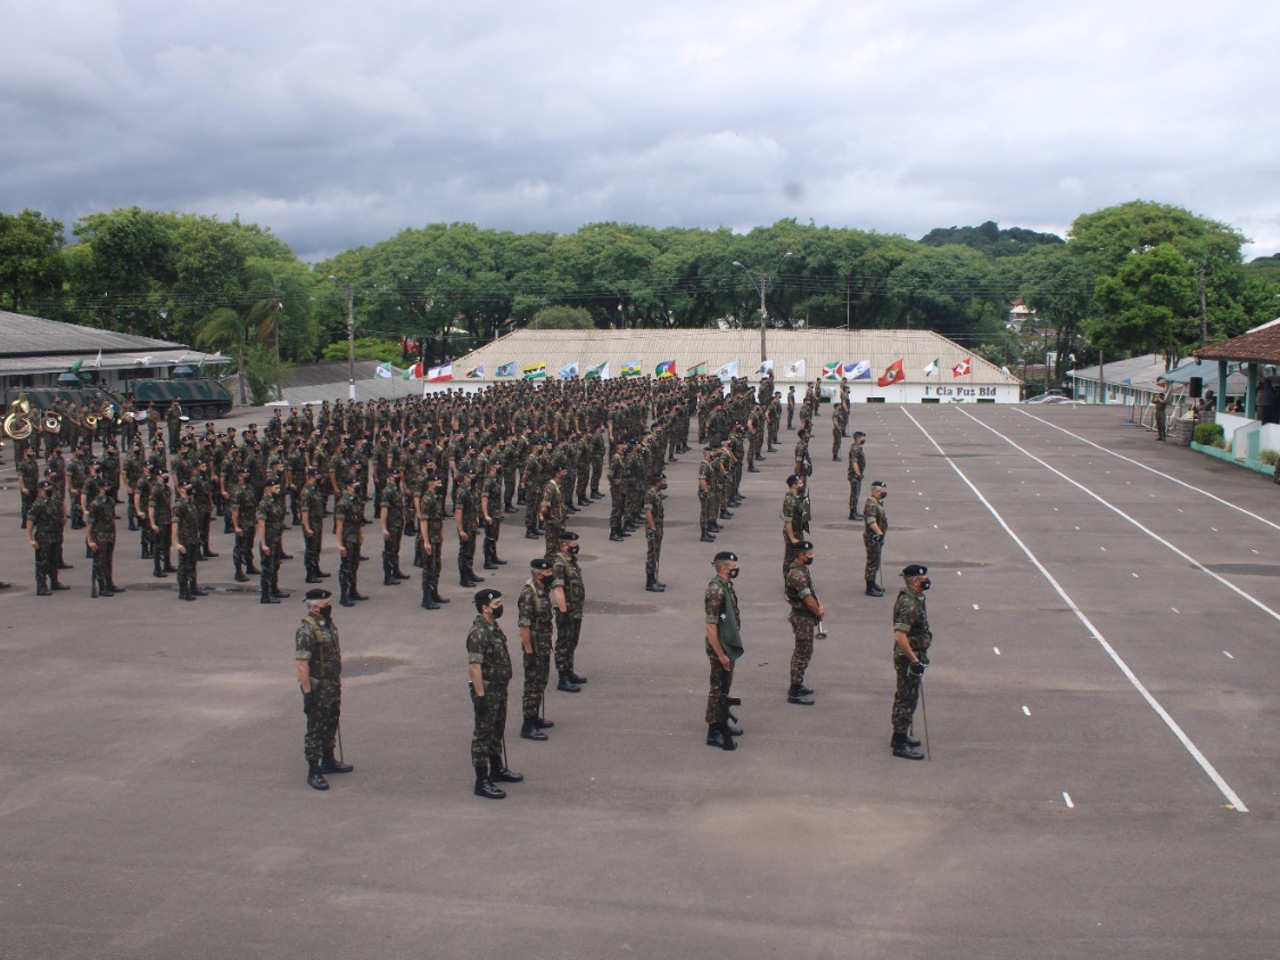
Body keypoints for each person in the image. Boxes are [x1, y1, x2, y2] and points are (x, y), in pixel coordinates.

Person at [295, 588, 353, 790]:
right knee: (316, 728)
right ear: (313, 607)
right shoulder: (307, 630)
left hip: (332, 685)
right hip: (318, 688)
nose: (329, 607)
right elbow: (302, 664)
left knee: (331, 721)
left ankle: (329, 760)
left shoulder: (326, 624)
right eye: (325, 605)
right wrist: (308, 693)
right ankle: (314, 769)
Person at [467, 588, 522, 799]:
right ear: (485, 607)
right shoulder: (479, 632)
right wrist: (480, 696)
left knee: (497, 730)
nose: (500, 607)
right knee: (483, 734)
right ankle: (482, 780)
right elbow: (474, 666)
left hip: (499, 688)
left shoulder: (493, 627)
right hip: (487, 691)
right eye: (496, 604)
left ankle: (497, 769)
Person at [890, 564, 932, 760]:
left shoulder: (914, 598)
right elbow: (900, 636)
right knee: (907, 698)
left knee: (905, 696)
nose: (927, 582)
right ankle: (899, 742)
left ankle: (900, 734)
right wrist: (914, 660)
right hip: (908, 659)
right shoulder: (909, 604)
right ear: (916, 581)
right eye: (923, 579)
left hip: (912, 656)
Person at [703, 550, 743, 751]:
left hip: (727, 646)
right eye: (734, 568)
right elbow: (711, 627)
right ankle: (714, 731)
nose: (737, 570)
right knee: (718, 689)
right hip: (720, 648)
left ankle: (722, 722)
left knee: (724, 687)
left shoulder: (726, 586)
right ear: (725, 568)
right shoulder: (716, 591)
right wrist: (720, 654)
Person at [517, 557, 556, 741]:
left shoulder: (543, 589)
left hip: (543, 643)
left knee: (541, 681)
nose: (551, 575)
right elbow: (524, 626)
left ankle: (534, 717)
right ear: (538, 574)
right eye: (548, 572)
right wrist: (529, 652)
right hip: (534, 647)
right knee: (532, 685)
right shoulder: (529, 595)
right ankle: (528, 724)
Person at [784, 540, 825, 705]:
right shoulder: (797, 575)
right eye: (809, 554)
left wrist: (818, 605)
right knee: (802, 653)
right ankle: (794, 690)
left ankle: (798, 683)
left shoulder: (801, 570)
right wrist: (818, 611)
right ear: (800, 555)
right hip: (802, 618)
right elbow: (808, 600)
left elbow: (811, 593)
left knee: (804, 651)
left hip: (805, 616)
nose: (812, 557)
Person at [551, 530, 587, 692]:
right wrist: (563, 612)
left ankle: (569, 671)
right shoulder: (559, 563)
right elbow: (558, 589)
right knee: (564, 643)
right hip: (567, 610)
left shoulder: (571, 560)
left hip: (576, 608)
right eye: (574, 544)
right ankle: (563, 677)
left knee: (572, 641)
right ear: (564, 544)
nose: (577, 546)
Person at [85, 478, 124, 598]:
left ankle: (109, 582)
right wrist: (89, 540)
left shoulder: (110, 501)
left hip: (110, 535)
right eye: (106, 487)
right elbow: (90, 523)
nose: (109, 489)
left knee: (108, 560)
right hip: (99, 536)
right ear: (101, 488)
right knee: (100, 562)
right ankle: (102, 587)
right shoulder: (95, 504)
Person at [27, 480, 68, 595]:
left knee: (54, 561)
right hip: (44, 537)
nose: (50, 490)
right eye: (47, 488)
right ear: (40, 490)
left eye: (50, 487)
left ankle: (54, 582)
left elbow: (61, 509)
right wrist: (30, 539)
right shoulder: (38, 504)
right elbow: (30, 521)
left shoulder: (52, 501)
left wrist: (63, 519)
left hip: (55, 535)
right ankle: (41, 586)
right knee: (42, 562)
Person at [335, 475, 367, 606]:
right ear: (348, 486)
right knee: (346, 568)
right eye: (355, 485)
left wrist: (360, 534)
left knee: (354, 565)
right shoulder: (343, 502)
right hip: (347, 538)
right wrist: (339, 544)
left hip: (355, 537)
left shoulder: (358, 500)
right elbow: (339, 525)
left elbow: (358, 520)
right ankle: (344, 595)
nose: (358, 486)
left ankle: (353, 591)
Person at [256, 475, 289, 604]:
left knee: (275, 565)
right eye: (276, 487)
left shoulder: (274, 501)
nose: (279, 489)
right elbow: (261, 524)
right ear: (269, 488)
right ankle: (265, 595)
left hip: (276, 538)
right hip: (269, 539)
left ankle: (274, 589)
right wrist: (263, 544)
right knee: (267, 568)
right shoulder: (264, 503)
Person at [172, 480, 205, 601]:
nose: (190, 489)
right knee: (184, 566)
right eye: (187, 487)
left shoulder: (191, 503)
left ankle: (193, 587)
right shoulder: (179, 505)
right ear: (181, 489)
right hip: (184, 539)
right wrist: (176, 543)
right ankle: (183, 590)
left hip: (193, 539)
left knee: (192, 564)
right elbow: (175, 524)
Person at [780, 473, 807, 580]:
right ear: (794, 485)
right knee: (789, 557)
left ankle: (795, 578)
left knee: (798, 555)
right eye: (799, 483)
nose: (802, 484)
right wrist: (792, 538)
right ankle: (788, 580)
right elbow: (788, 521)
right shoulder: (789, 500)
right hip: (792, 532)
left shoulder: (797, 497)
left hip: (798, 530)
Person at [863, 480, 888, 596]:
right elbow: (871, 521)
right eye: (882, 491)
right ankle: (870, 587)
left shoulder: (877, 502)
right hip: (873, 537)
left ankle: (873, 583)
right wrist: (879, 533)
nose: (884, 493)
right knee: (872, 561)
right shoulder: (872, 504)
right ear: (877, 491)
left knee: (876, 560)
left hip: (876, 537)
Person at [643, 472, 667, 592]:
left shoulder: (656, 493)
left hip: (657, 527)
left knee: (656, 553)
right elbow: (648, 512)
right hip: (653, 528)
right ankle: (650, 582)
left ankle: (654, 579)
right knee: (652, 554)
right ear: (658, 481)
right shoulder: (650, 493)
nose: (665, 484)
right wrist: (652, 528)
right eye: (663, 481)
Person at [847, 432, 866, 521]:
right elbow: (854, 463)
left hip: (857, 474)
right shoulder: (855, 449)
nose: (864, 439)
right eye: (862, 437)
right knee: (854, 494)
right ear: (858, 438)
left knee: (856, 494)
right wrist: (858, 474)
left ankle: (855, 511)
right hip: (854, 475)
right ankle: (852, 513)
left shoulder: (858, 448)